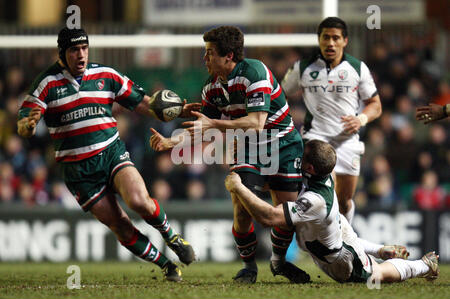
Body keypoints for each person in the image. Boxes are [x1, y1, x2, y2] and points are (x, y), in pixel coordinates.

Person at [16, 27, 196, 282]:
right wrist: (28, 126)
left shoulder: (106, 75)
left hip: (111, 153)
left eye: (84, 48)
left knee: (138, 201)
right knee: (119, 224)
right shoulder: (46, 83)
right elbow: (24, 123)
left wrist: (177, 111)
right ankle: (166, 265)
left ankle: (172, 237)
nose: (81, 55)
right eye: (74, 50)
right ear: (62, 53)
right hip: (78, 172)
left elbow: (143, 103)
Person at [150, 26, 308, 284]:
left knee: (285, 215)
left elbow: (256, 122)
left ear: (229, 56)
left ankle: (279, 262)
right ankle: (248, 266)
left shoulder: (254, 73)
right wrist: (172, 142)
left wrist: (215, 125)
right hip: (248, 146)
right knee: (242, 208)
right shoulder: (210, 88)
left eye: (210, 53)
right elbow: (204, 126)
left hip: (284, 144)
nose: (205, 59)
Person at [225, 140, 439, 284]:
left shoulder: (315, 201)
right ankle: (381, 250)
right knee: (344, 238)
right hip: (333, 229)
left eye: (303, 156)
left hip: (339, 261)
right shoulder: (321, 172)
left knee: (378, 273)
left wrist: (239, 188)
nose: (298, 156)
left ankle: (424, 265)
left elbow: (269, 217)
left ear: (310, 168)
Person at [281, 17, 382, 225]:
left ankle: (344, 238)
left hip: (347, 141)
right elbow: (281, 94)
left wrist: (361, 119)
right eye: (326, 37)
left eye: (336, 38)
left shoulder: (358, 68)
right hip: (316, 138)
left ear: (345, 41)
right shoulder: (303, 67)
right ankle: (318, 242)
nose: (330, 43)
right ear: (319, 39)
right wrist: (286, 119)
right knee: (326, 193)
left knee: (344, 201)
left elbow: (376, 105)